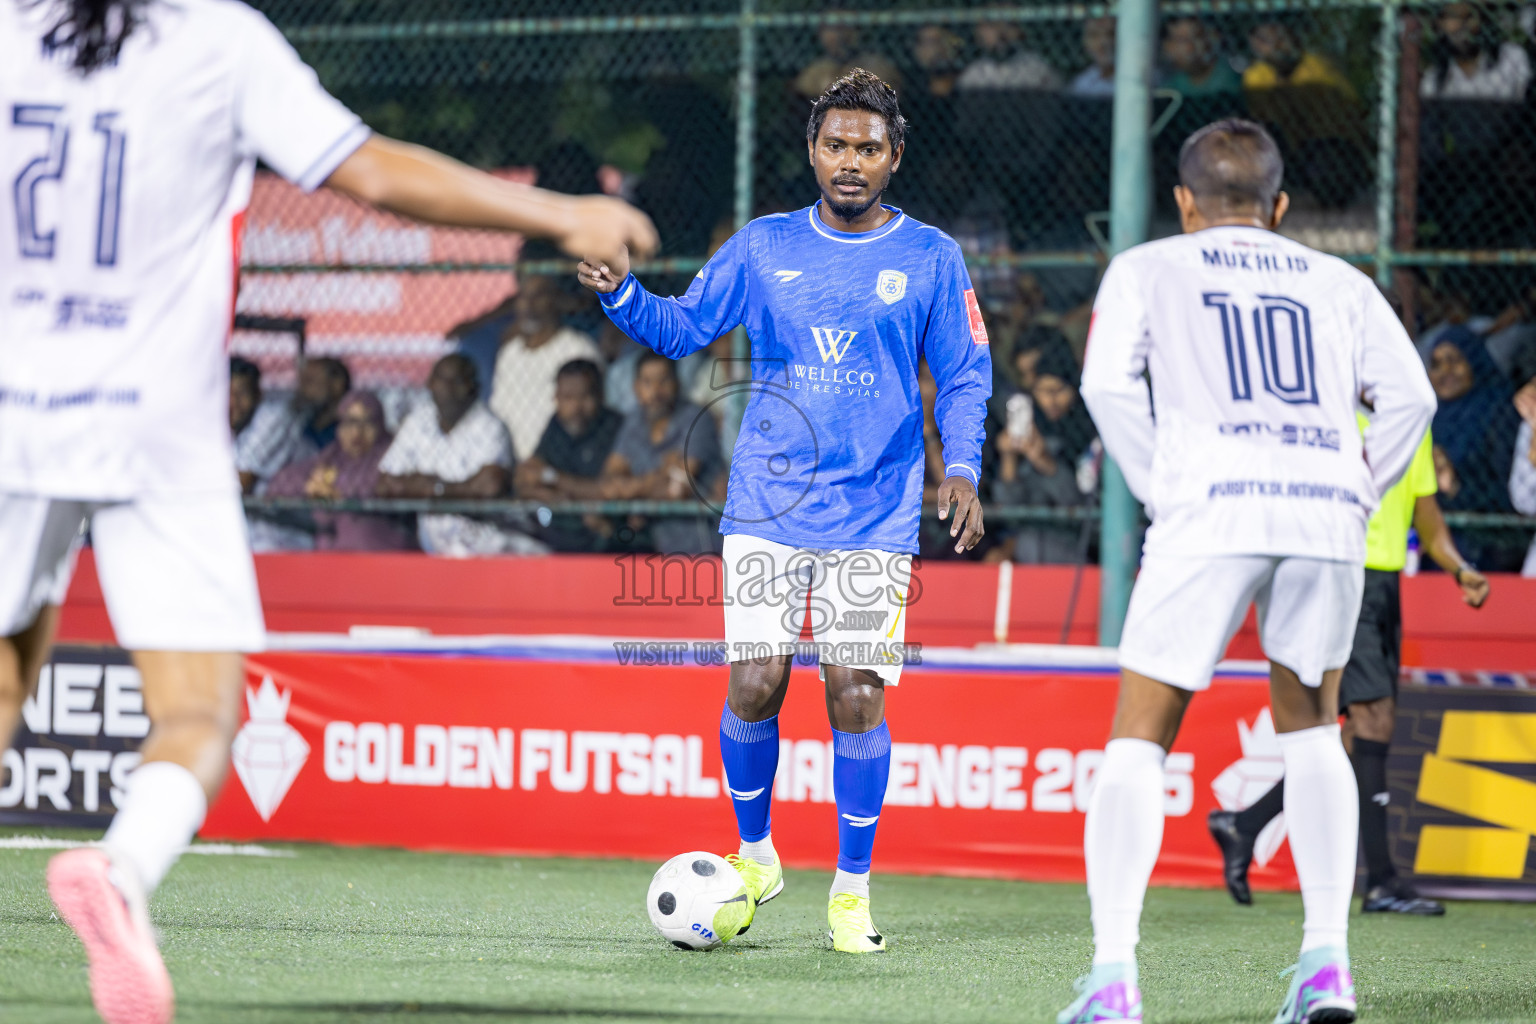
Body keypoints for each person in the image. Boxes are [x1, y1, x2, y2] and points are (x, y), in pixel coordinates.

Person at [0, 1, 655, 1019]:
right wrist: (559, 213)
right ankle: (122, 871)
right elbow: (377, 172)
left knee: (8, 676)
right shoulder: (215, 37)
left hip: (14, 407)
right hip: (154, 425)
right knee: (196, 714)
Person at [578, 70, 990, 954]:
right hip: (767, 503)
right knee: (756, 683)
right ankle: (758, 854)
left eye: (868, 149)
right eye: (836, 145)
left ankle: (850, 894)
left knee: (854, 692)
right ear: (812, 151)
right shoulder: (761, 246)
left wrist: (962, 468)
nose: (850, 162)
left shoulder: (931, 257)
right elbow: (685, 327)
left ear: (895, 156)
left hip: (876, 511)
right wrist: (620, 292)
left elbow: (963, 374)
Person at [1058, 119, 1436, 1024]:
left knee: (1139, 737)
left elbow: (1107, 385)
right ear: (1280, 206)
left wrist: (1163, 486)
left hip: (1210, 508)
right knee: (1311, 730)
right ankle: (1326, 967)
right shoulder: (1341, 281)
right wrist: (1356, 488)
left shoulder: (1149, 265)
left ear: (1185, 202)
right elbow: (1413, 396)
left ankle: (1113, 979)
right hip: (1324, 514)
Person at [1208, 424, 1490, 914]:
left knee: (1362, 734)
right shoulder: (1328, 416)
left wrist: (1458, 567)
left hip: (1383, 585)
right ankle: (1380, 881)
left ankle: (1245, 824)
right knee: (1373, 719)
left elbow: (1425, 512)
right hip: (1341, 571)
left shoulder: (1411, 417)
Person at [377, 355, 544, 557]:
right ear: (430, 384)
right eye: (442, 380)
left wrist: (434, 488)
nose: (448, 388)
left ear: (474, 387)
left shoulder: (489, 426)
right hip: (436, 549)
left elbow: (489, 487)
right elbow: (385, 483)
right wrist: (460, 490)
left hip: (493, 548)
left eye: (458, 381)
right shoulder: (419, 421)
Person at [264, 391, 414, 551]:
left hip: (381, 557)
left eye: (367, 423)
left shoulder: (391, 454)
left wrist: (337, 492)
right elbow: (278, 484)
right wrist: (310, 486)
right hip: (331, 562)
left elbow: (377, 487)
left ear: (380, 425)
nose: (357, 432)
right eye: (350, 422)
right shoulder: (332, 455)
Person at [991, 342, 1098, 564]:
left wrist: (1046, 463)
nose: (1050, 400)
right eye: (1042, 391)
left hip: (1076, 554)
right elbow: (1009, 511)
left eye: (1058, 391)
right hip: (1028, 554)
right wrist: (1009, 459)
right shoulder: (1030, 425)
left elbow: (1080, 507)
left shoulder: (1090, 432)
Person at [487, 276, 602, 461]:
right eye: (524, 297)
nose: (529, 305)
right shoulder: (509, 353)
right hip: (512, 463)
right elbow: (497, 409)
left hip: (563, 461)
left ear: (556, 301)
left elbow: (590, 416)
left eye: (539, 296)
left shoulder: (577, 349)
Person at [515, 359, 624, 551]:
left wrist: (552, 477)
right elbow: (526, 478)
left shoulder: (616, 426)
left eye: (584, 397)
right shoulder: (557, 424)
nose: (576, 406)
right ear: (556, 397)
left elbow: (606, 491)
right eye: (568, 397)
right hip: (556, 533)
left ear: (601, 395)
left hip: (607, 539)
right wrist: (555, 495)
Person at [1422, 2, 1532, 100]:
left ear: (1481, 19)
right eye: (1454, 16)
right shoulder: (1433, 80)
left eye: (1469, 16)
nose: (1462, 25)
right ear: (1441, 23)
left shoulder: (1511, 58)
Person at [229, 357, 303, 496]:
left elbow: (241, 482)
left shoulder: (273, 416)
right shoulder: (226, 426)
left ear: (258, 395)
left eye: (242, 393)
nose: (233, 401)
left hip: (294, 513)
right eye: (228, 393)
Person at [956, 20, 1061, 91]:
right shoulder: (975, 71)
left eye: (1009, 25)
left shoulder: (1035, 66)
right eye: (991, 26)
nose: (1001, 32)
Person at [1162, 17, 1242, 97]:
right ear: (1168, 46)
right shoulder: (1174, 82)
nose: (1190, 47)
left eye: (1196, 37)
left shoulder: (1228, 79)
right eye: (1181, 40)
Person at [295, 357, 352, 452]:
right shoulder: (304, 424)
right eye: (301, 383)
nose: (302, 390)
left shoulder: (355, 430)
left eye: (310, 382)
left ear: (337, 385)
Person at [1069, 16, 1119, 96]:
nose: (1103, 42)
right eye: (1094, 35)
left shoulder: (1134, 80)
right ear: (1085, 43)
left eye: (1111, 34)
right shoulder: (1082, 82)